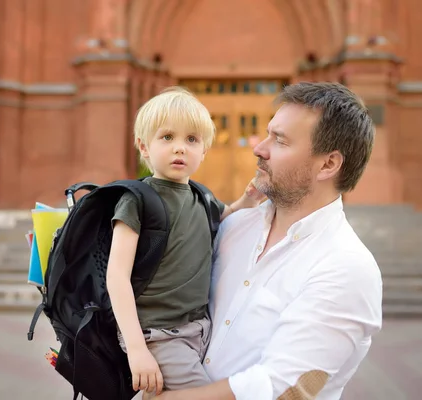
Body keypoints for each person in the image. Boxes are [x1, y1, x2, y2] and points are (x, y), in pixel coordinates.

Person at [156, 82, 383, 400]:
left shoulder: (346, 267)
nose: (259, 149)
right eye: (267, 134)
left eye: (280, 140)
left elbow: (280, 388)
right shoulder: (234, 227)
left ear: (328, 164)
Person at [106, 87, 264, 398]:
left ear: (205, 150)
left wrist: (246, 200)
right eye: (167, 137)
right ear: (144, 146)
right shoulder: (137, 201)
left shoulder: (202, 198)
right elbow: (117, 276)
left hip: (199, 328)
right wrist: (137, 349)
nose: (180, 148)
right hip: (158, 334)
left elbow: (224, 218)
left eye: (191, 140)